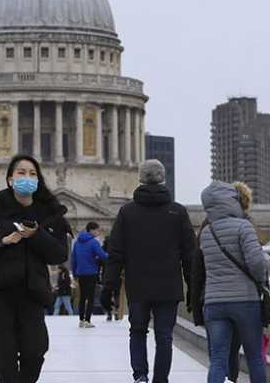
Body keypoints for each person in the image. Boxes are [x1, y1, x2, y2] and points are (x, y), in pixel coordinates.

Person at [0, 155, 72, 383]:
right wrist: (2, 242)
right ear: (10, 179)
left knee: (35, 350)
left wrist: (36, 235)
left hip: (33, 291)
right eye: (21, 173)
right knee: (4, 354)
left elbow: (59, 254)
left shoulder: (50, 212)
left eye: (33, 174)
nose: (27, 178)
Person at [102, 160, 195, 383]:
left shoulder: (127, 212)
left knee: (137, 331)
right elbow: (190, 255)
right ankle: (160, 379)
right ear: (163, 179)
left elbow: (116, 253)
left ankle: (140, 376)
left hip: (138, 284)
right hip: (169, 286)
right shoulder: (178, 212)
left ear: (140, 179)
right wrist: (193, 286)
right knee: (164, 337)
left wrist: (109, 286)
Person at [197, 181, 268, 383]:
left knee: (218, 360)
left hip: (214, 303)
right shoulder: (244, 227)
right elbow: (256, 263)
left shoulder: (206, 233)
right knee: (255, 357)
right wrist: (261, 282)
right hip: (245, 300)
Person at [71, 221, 108, 328]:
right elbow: (102, 256)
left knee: (82, 297)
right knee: (90, 297)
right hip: (91, 272)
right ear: (91, 230)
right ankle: (87, 320)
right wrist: (111, 255)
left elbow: (74, 260)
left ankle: (81, 320)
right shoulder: (93, 242)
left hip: (80, 273)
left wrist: (74, 274)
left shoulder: (77, 242)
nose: (98, 232)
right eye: (97, 230)